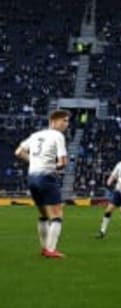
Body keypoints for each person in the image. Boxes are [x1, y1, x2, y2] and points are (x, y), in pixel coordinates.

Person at [15, 109, 70, 259]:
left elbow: (18, 152)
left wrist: (34, 161)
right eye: (63, 120)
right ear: (53, 122)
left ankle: (45, 248)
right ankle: (51, 250)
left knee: (44, 214)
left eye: (67, 121)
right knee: (57, 214)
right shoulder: (58, 135)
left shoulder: (35, 135)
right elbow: (63, 162)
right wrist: (54, 166)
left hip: (32, 177)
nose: (66, 124)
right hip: (47, 177)